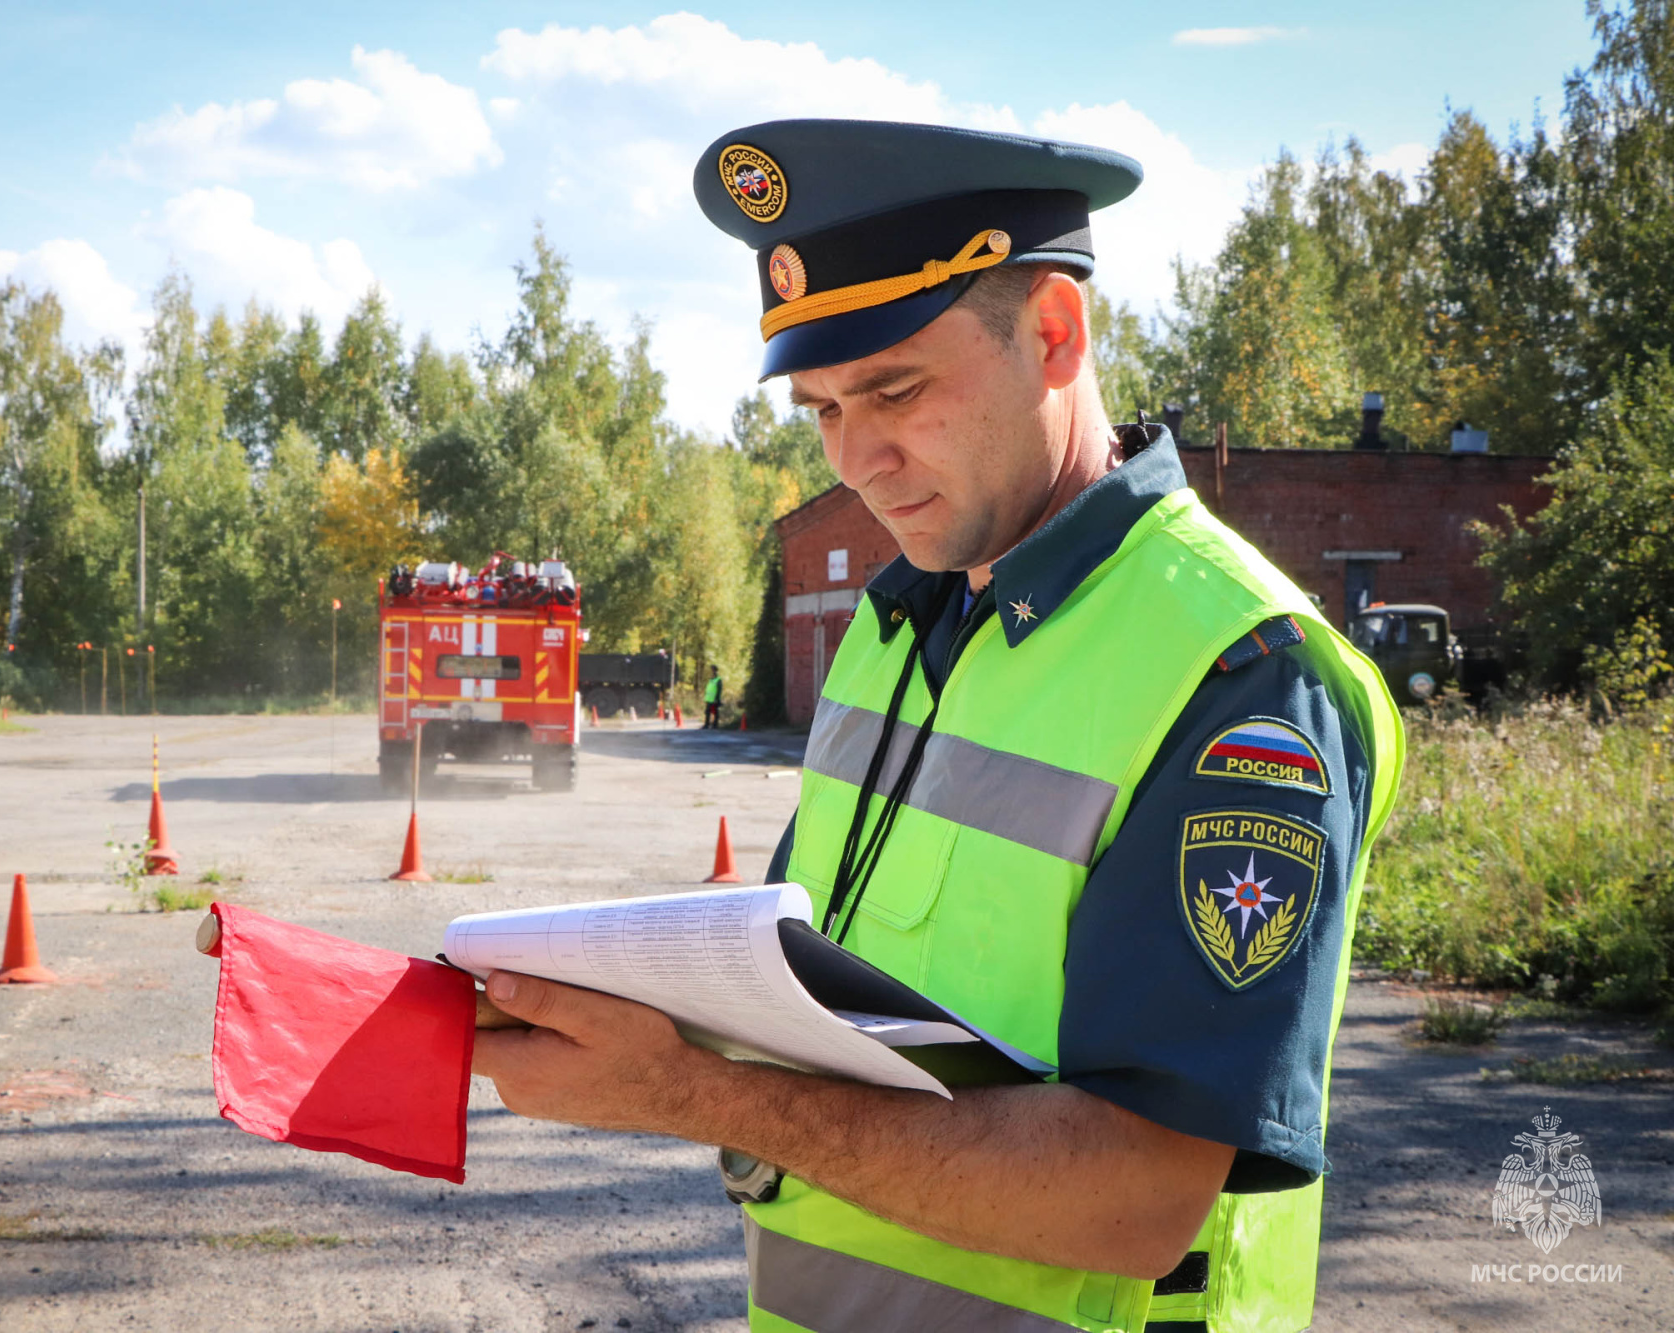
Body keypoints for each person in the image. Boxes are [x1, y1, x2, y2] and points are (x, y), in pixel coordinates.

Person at [473, 119, 1404, 1333]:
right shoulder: (898, 620)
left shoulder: (1238, 676)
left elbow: (1132, 1199)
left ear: (1054, 335)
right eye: (819, 408)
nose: (855, 459)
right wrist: (540, 1004)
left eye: (895, 389)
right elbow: (799, 989)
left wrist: (692, 1094)